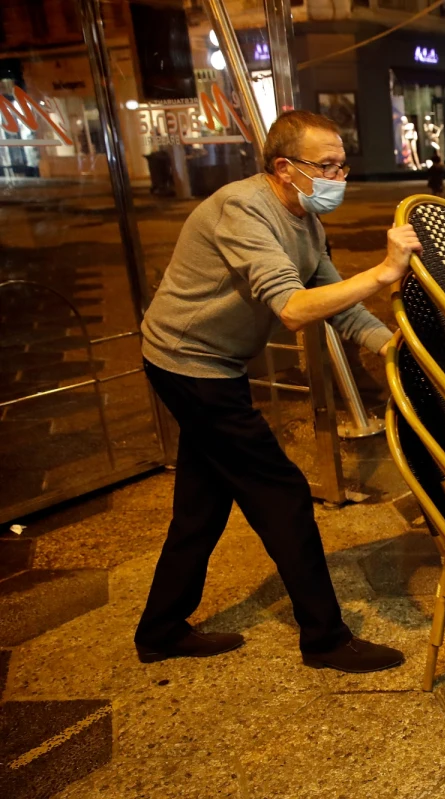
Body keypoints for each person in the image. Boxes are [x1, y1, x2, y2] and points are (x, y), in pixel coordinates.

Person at [135, 110, 419, 673]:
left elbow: (337, 301)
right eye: (327, 165)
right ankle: (324, 638)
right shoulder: (243, 210)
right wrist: (386, 272)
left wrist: (392, 349)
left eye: (344, 165)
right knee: (282, 494)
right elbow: (292, 308)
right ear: (285, 168)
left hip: (213, 365)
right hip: (190, 365)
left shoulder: (307, 221)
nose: (340, 177)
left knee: (202, 505)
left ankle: (161, 628)